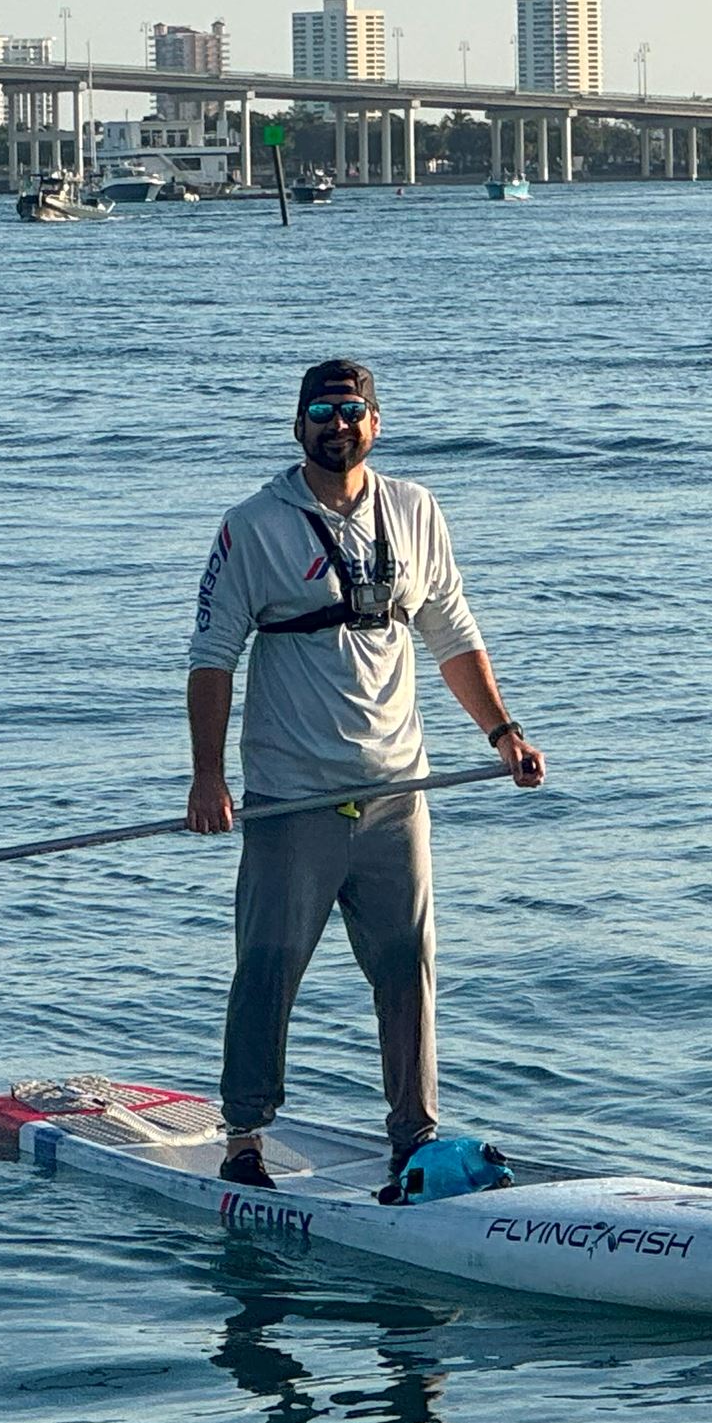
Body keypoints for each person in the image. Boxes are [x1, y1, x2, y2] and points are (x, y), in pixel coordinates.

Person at [185, 358, 543, 1199]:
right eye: (321, 412)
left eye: (351, 411)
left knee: (407, 966)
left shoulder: (415, 511)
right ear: (297, 427)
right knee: (269, 964)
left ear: (374, 425)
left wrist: (502, 733)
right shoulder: (251, 527)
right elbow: (211, 660)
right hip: (294, 797)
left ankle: (413, 1136)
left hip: (397, 792)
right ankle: (244, 1137)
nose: (336, 425)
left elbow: (453, 633)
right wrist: (208, 778)